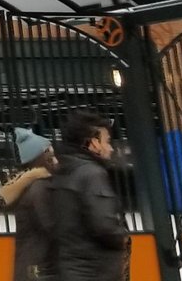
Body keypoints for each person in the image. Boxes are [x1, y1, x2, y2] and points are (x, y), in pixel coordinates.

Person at [51, 110, 131, 281]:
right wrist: (121, 236)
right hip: (96, 271)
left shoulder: (64, 172)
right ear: (94, 143)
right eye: (107, 142)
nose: (110, 148)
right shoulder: (92, 174)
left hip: (70, 269)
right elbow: (104, 225)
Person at [2, 127, 58, 281]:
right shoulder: (40, 188)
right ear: (40, 159)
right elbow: (52, 227)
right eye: (51, 157)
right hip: (41, 270)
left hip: (30, 268)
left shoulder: (28, 187)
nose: (56, 161)